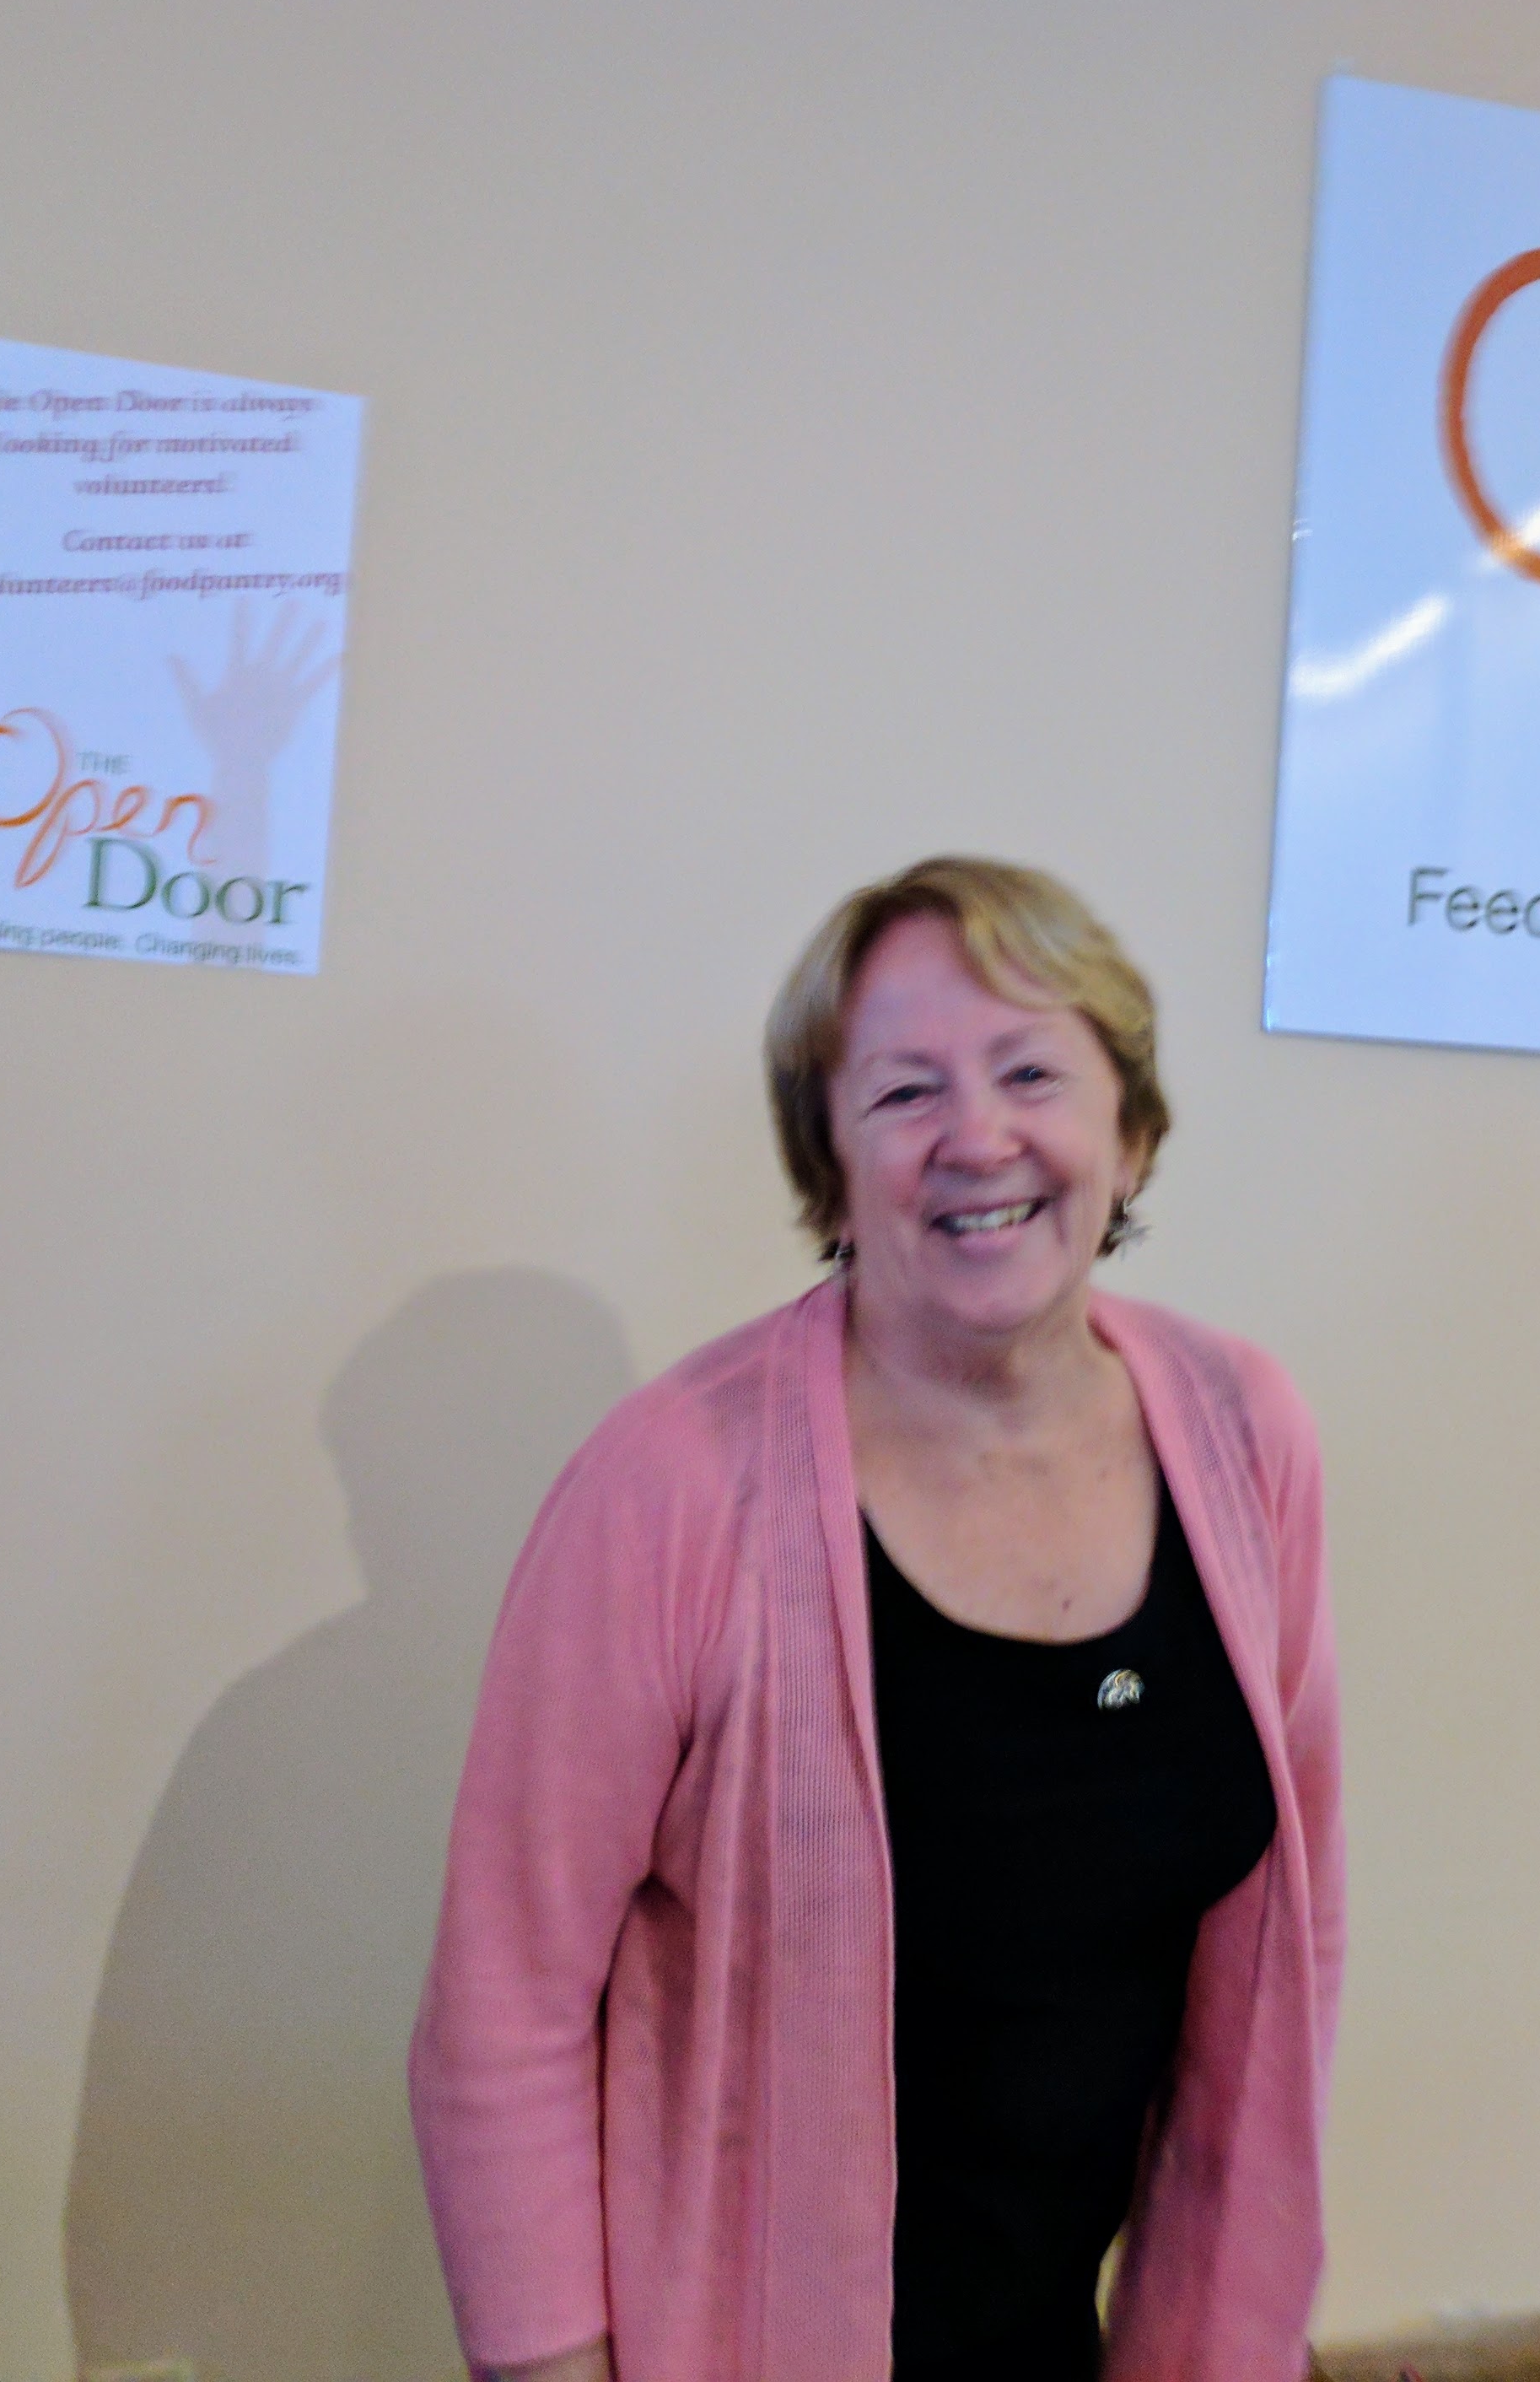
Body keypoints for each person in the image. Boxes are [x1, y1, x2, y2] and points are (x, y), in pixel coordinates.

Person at [409, 856, 1344, 2382]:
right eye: (905, 1092)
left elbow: (1286, 1928)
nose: (977, 1136)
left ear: (1130, 1132)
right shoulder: (670, 1486)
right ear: (829, 1169)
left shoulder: (1245, 1433)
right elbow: (500, 2010)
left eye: (1030, 1072)